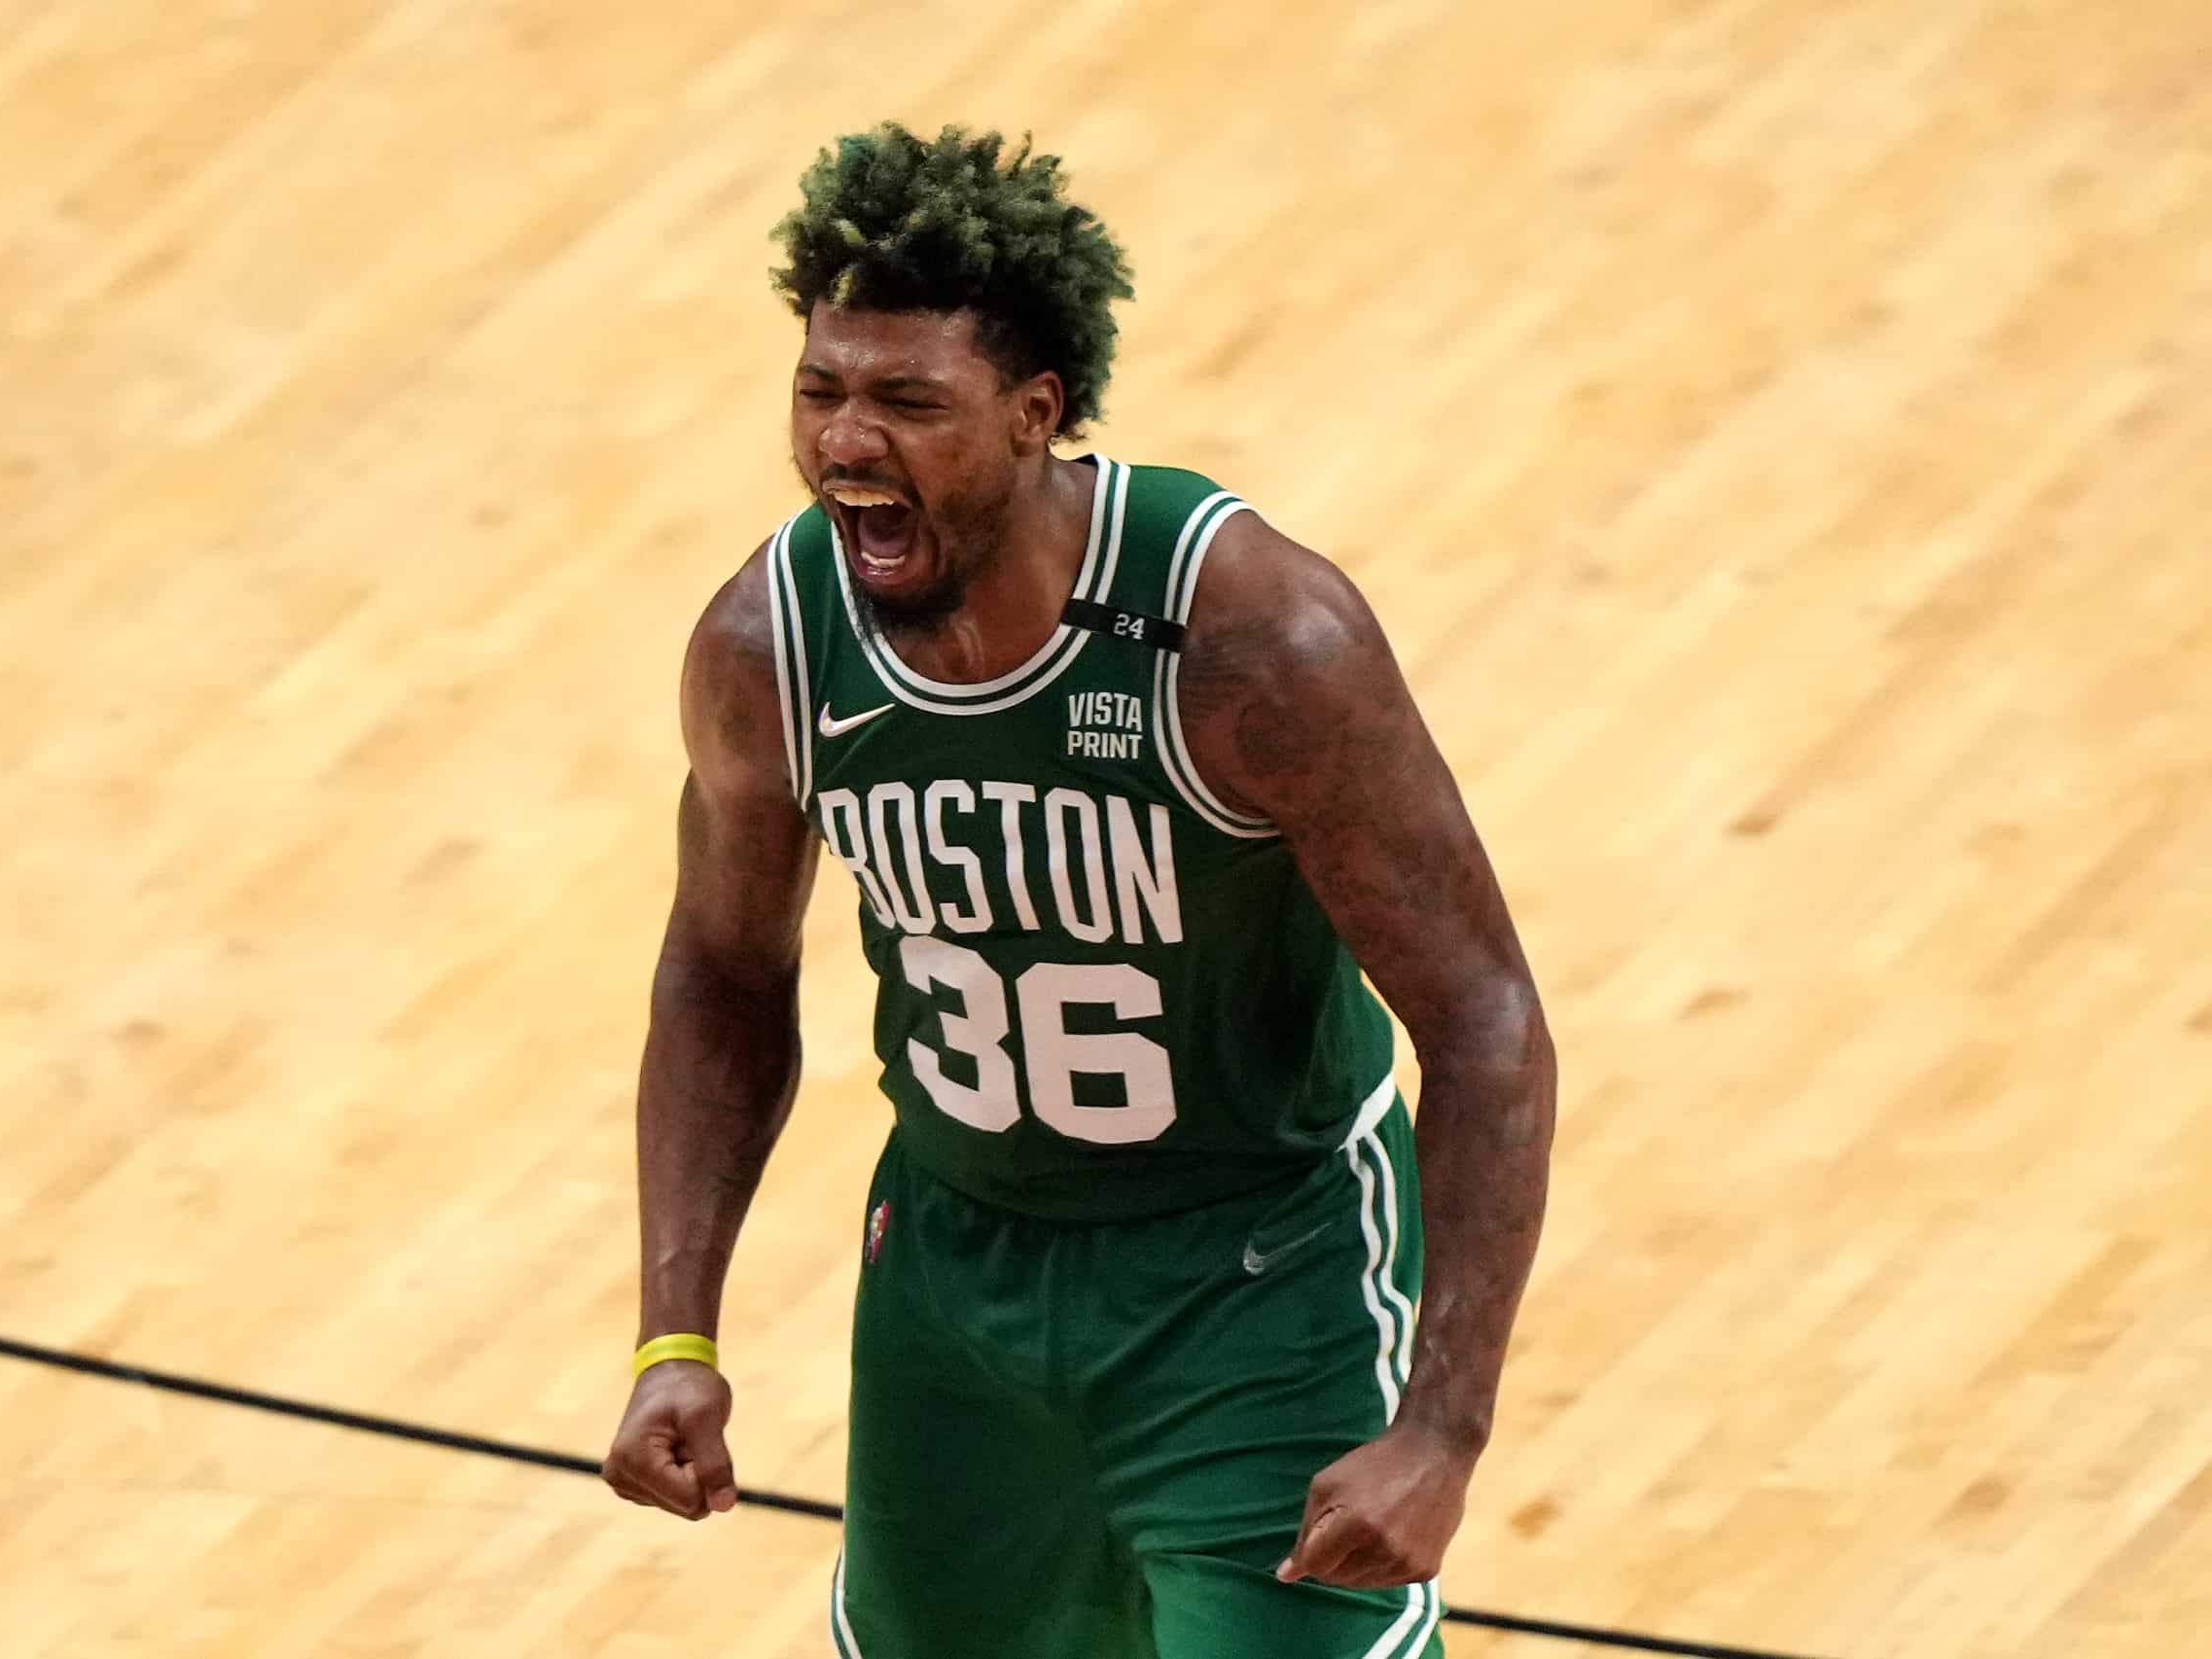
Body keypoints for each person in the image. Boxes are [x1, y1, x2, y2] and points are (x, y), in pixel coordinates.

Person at [602, 123, 1556, 1659]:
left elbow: (1487, 1017)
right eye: (822, 389)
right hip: (954, 1276)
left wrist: (1443, 1422)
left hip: (1260, 1278)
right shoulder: (771, 646)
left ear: (1037, 413)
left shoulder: (1251, 642)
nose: (849, 441)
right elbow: (719, 971)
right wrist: (675, 1329)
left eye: (909, 401)